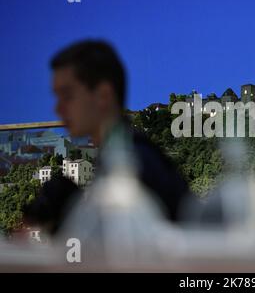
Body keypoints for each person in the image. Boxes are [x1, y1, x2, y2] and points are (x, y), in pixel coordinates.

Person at [24, 40, 190, 235]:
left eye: (67, 96)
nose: (58, 108)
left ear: (103, 95)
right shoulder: (131, 154)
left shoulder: (134, 164)